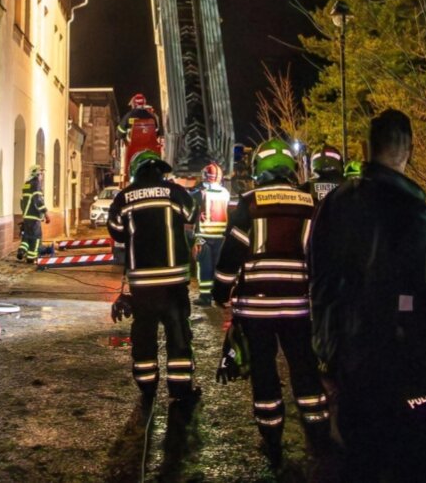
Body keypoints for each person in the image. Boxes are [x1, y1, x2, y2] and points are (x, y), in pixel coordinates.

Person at [310, 111, 426, 482]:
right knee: (410, 461)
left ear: (366, 147)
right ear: (410, 151)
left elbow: (321, 283)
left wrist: (326, 354)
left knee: (358, 460)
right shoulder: (418, 214)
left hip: (351, 357)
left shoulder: (335, 205)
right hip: (405, 363)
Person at [214, 137, 329, 465]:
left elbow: (231, 255)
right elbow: (320, 255)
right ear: (291, 168)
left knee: (264, 373)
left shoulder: (248, 202)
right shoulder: (310, 202)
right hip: (299, 306)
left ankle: (272, 440)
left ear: (258, 169)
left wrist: (220, 293)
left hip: (256, 308)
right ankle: (319, 435)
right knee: (305, 369)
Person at [106, 150, 201, 407]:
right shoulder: (174, 192)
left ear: (136, 171)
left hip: (143, 283)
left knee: (144, 334)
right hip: (173, 281)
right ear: (161, 170)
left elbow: (115, 231)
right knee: (178, 333)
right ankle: (180, 389)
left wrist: (134, 231)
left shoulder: (125, 197)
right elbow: (192, 214)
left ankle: (147, 386)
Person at [193, 162, 231, 306]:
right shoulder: (225, 193)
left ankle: (205, 296)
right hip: (221, 236)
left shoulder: (201, 193)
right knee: (218, 267)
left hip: (205, 236)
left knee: (205, 267)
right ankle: (218, 296)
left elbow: (190, 204)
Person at [17, 165, 49, 263]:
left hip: (26, 216)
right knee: (36, 238)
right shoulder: (36, 184)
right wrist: (46, 213)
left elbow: (22, 201)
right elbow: (38, 200)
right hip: (34, 216)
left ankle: (22, 250)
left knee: (27, 235)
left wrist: (24, 213)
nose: (42, 177)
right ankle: (31, 258)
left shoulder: (26, 184)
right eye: (41, 174)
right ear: (37, 174)